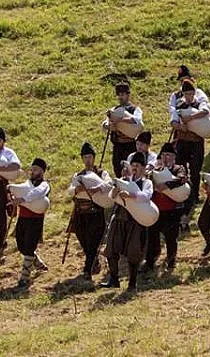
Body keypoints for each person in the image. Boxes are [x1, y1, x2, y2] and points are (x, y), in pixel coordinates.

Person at [102, 152, 152, 290]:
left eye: (138, 165)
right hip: (119, 219)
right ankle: (113, 279)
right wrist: (114, 192)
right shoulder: (124, 180)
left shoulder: (146, 182)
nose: (135, 168)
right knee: (111, 250)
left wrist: (131, 195)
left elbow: (146, 196)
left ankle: (132, 283)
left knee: (133, 253)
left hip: (135, 221)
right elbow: (111, 196)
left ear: (143, 168)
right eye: (133, 165)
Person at [67, 142, 110, 279]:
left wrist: (97, 188)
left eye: (90, 157)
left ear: (94, 158)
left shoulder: (101, 173)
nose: (88, 160)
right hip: (80, 213)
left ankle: (87, 270)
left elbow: (109, 185)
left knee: (93, 242)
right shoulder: (78, 175)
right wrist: (76, 189)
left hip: (95, 212)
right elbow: (70, 190)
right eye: (85, 157)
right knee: (84, 242)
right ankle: (94, 262)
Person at [171, 80, 209, 226]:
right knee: (181, 168)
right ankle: (183, 194)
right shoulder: (178, 105)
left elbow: (205, 111)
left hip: (196, 142)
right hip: (183, 141)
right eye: (187, 94)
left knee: (195, 169)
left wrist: (190, 118)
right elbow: (173, 122)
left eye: (191, 93)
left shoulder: (199, 103)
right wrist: (180, 127)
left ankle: (195, 195)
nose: (189, 96)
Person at [144, 143, 186, 272]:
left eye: (168, 155)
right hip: (156, 209)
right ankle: (150, 262)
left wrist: (166, 185)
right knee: (152, 237)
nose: (165, 158)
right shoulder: (156, 170)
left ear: (174, 157)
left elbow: (182, 179)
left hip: (172, 210)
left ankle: (171, 260)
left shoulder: (179, 169)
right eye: (163, 155)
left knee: (170, 238)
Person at [15, 158, 51, 287]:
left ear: (42, 171)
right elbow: (20, 190)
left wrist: (23, 199)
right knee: (21, 246)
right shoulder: (27, 183)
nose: (33, 171)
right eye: (32, 169)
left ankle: (25, 277)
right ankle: (38, 263)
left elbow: (37, 192)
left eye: (36, 169)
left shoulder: (44, 185)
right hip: (22, 219)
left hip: (35, 220)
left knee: (30, 246)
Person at [106, 83, 143, 177]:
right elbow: (105, 123)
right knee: (118, 169)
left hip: (130, 145)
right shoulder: (114, 109)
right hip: (117, 146)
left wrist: (121, 120)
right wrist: (109, 126)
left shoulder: (134, 109)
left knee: (130, 170)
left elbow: (137, 121)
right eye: (118, 95)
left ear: (128, 95)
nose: (120, 97)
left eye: (122, 94)